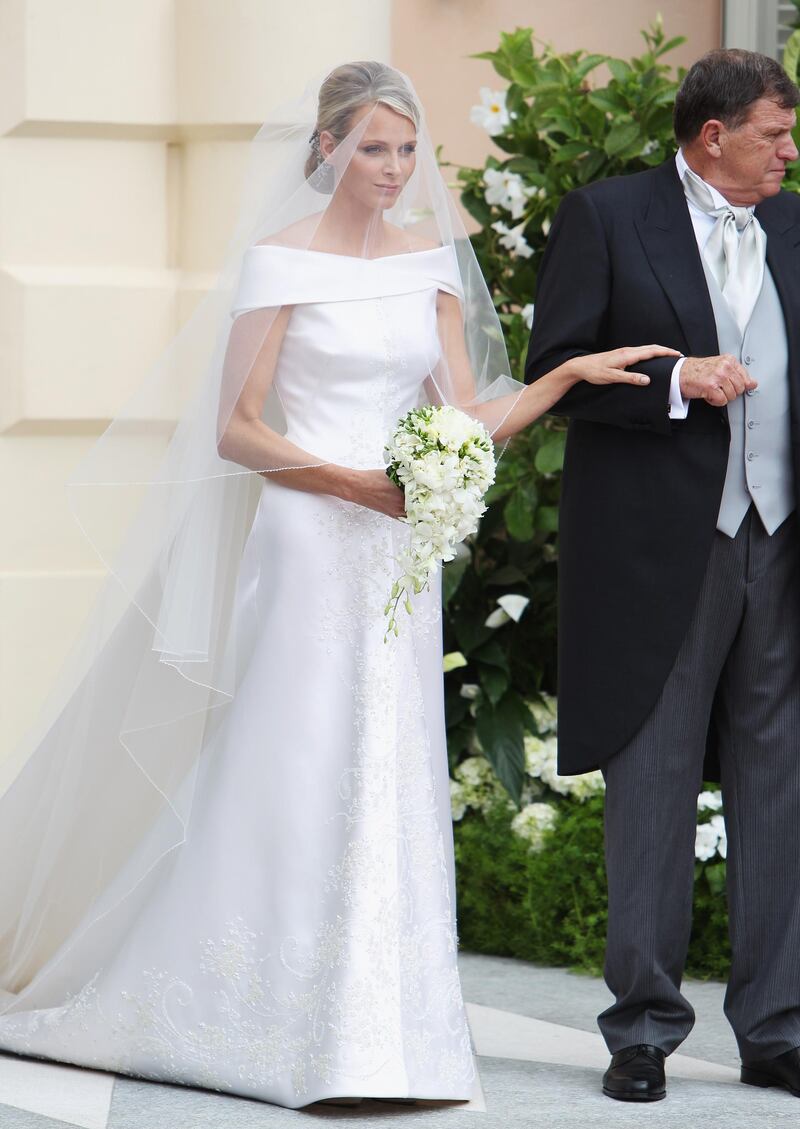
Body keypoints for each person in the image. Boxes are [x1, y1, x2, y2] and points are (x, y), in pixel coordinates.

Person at [0, 61, 670, 1109]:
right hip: (312, 536)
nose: (392, 170)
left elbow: (463, 414)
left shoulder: (429, 269)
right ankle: (257, 1010)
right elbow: (236, 427)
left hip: (393, 551)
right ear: (325, 151)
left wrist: (560, 379)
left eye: (405, 150)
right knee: (297, 753)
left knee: (388, 762)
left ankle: (378, 1036)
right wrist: (355, 482)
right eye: (370, 148)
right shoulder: (278, 262)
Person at [526, 48, 800, 1104]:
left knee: (777, 788)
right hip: (656, 552)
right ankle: (640, 1029)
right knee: (650, 788)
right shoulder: (605, 215)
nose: (787, 150)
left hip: (778, 544)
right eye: (772, 133)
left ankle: (773, 1026)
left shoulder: (792, 222)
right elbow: (562, 372)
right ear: (710, 138)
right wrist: (675, 381)